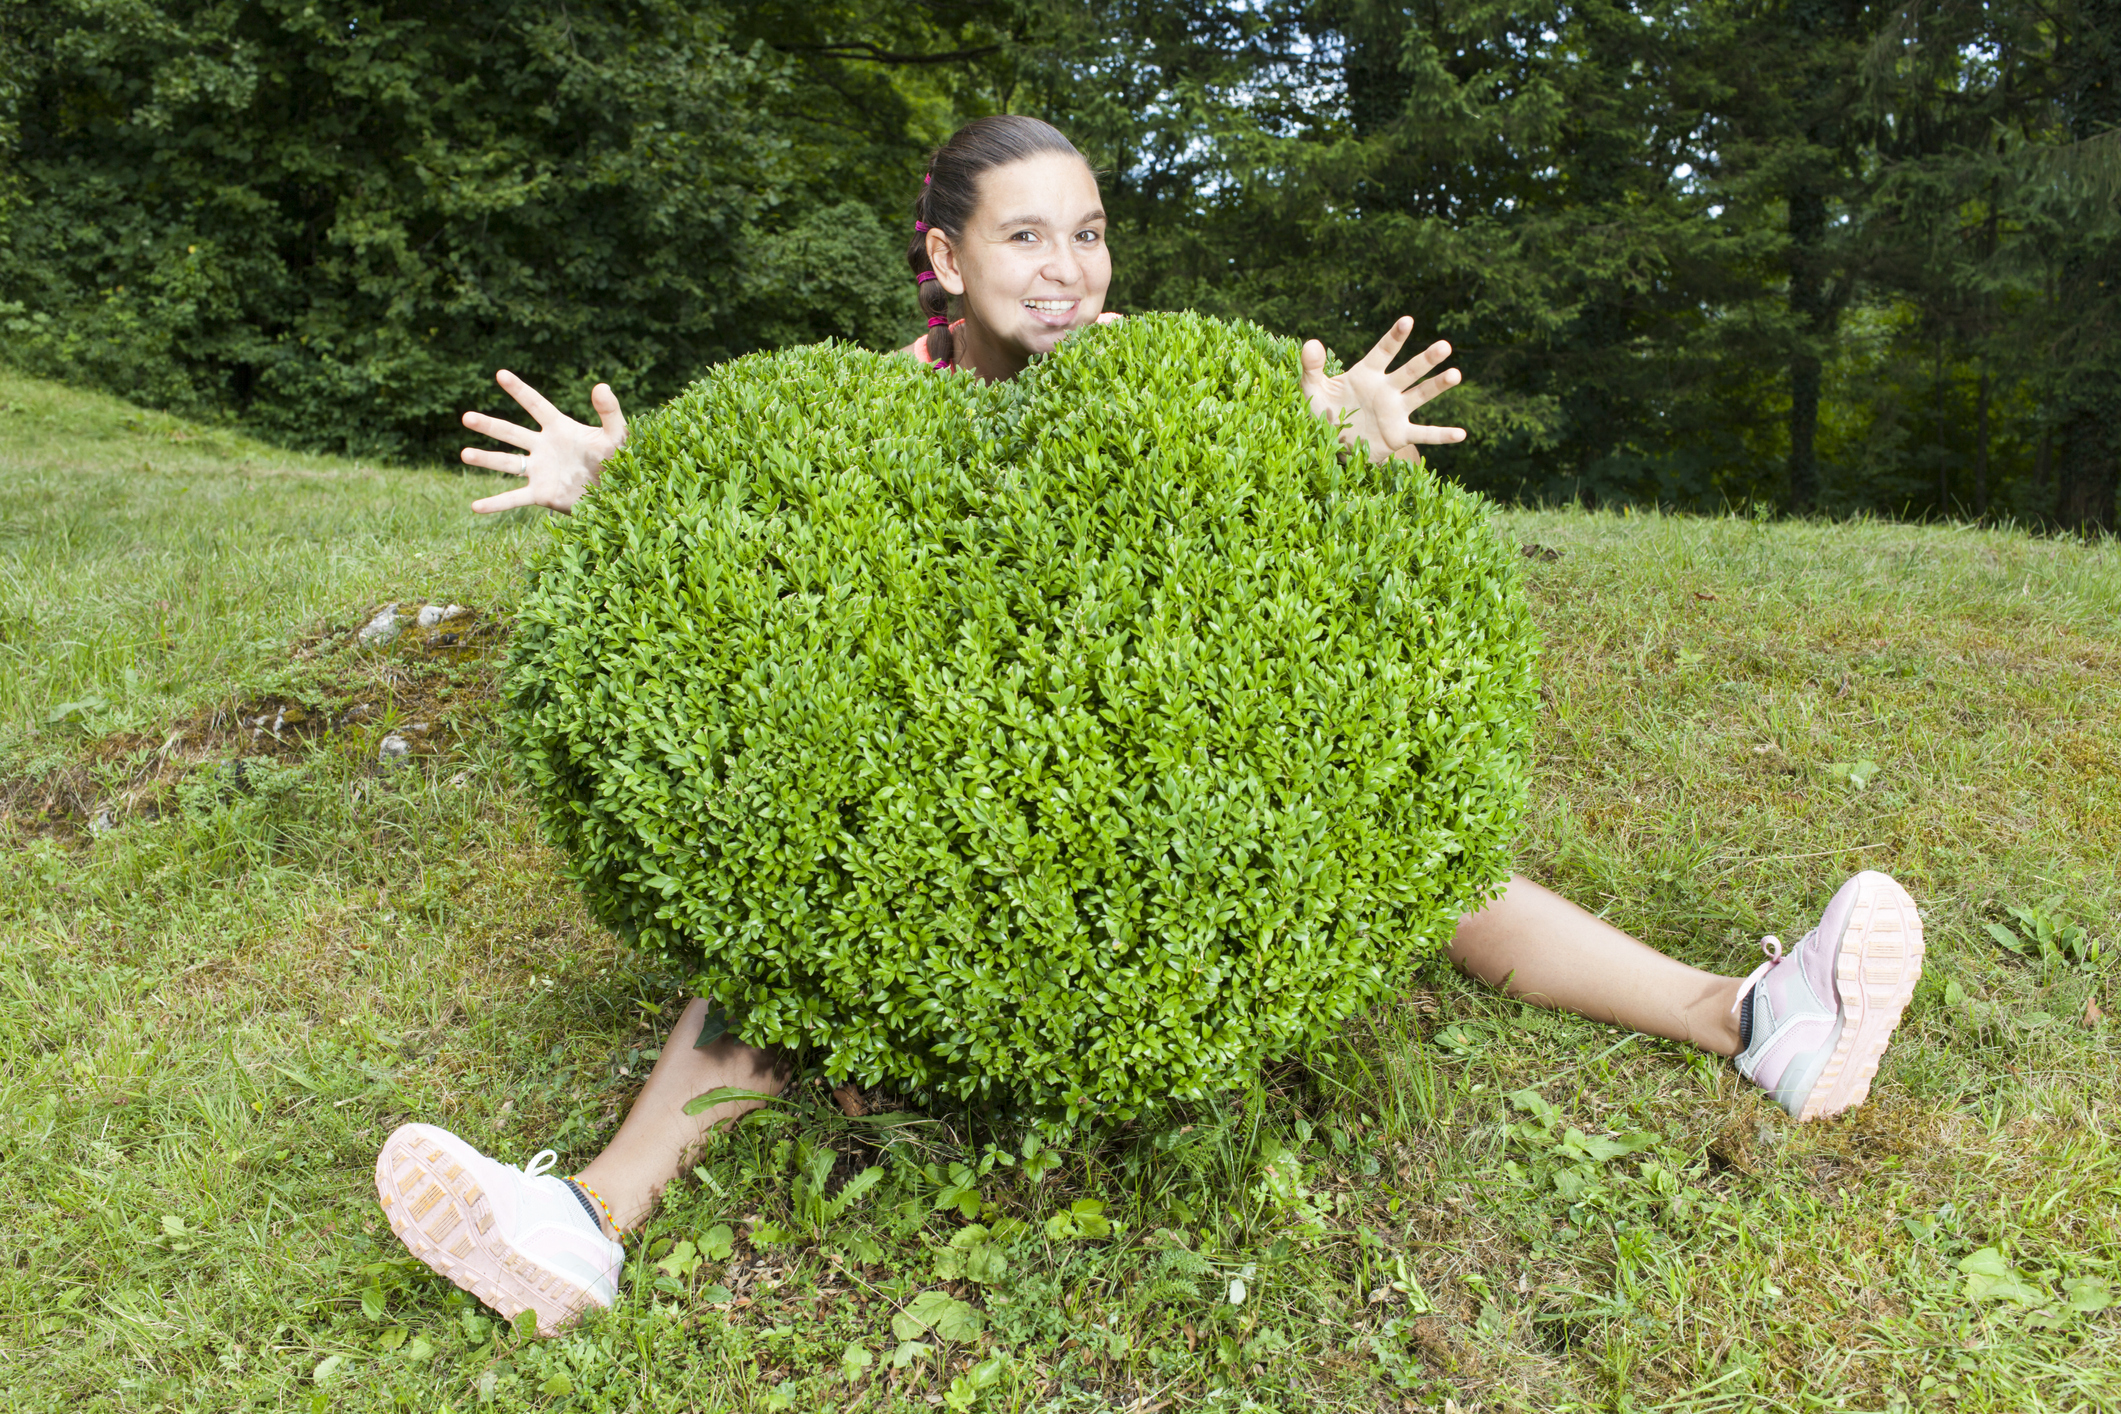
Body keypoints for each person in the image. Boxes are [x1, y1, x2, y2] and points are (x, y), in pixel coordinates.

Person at [376, 116, 1926, 1337]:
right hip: (932, 818)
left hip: (1157, 818)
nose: (1068, 268)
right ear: (943, 253)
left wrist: (1354, 456)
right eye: (1026, 235)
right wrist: (630, 494)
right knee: (792, 903)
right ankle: (587, 1218)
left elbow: (1282, 544)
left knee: (1405, 849)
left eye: (1091, 232)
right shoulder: (855, 414)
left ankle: (1754, 1020)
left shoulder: (1171, 391)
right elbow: (760, 573)